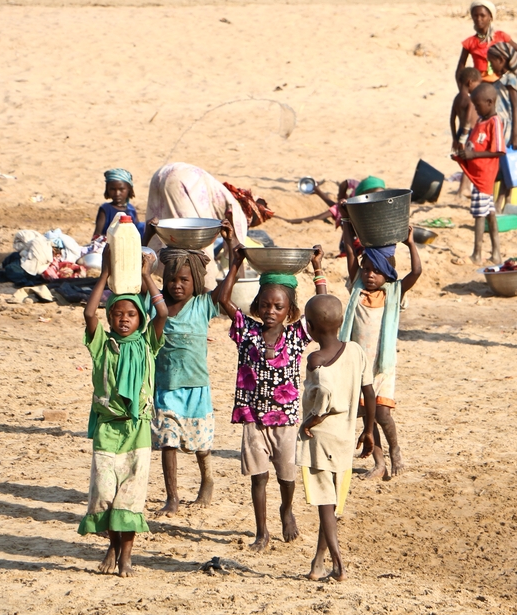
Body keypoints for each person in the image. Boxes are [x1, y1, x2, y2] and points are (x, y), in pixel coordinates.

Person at [216, 237, 327, 550]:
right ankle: (261, 532)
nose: (270, 311)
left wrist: (318, 268)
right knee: (258, 477)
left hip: (286, 418)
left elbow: (323, 309)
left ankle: (286, 510)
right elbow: (223, 299)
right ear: (256, 305)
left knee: (286, 476)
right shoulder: (246, 331)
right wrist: (235, 263)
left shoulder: (296, 335)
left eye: (278, 307)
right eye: (265, 305)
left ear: (290, 310)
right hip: (253, 417)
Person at [78, 247, 167, 577]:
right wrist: (105, 275)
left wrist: (145, 276)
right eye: (118, 314)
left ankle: (125, 555)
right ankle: (112, 546)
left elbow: (162, 312)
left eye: (131, 314)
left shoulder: (147, 343)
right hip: (107, 427)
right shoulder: (102, 343)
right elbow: (89, 313)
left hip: (137, 429)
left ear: (139, 318)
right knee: (105, 493)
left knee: (130, 496)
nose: (124, 319)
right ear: (111, 317)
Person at [151, 225, 236, 518]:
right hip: (165, 386)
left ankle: (206, 480)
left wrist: (232, 248)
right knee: (168, 441)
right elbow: (139, 277)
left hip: (197, 386)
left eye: (184, 279)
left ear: (196, 280)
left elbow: (227, 286)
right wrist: (149, 236)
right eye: (172, 279)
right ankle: (172, 497)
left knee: (201, 444)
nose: (177, 285)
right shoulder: (157, 305)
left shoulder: (203, 304)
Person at [296, 294, 376, 582]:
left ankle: (338, 563)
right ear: (342, 321)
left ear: (309, 328)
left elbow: (324, 397)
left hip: (319, 439)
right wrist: (369, 430)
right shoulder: (355, 350)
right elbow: (369, 392)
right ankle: (318, 563)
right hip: (344, 438)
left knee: (324, 505)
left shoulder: (315, 359)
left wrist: (311, 420)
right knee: (329, 504)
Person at [337, 225, 422, 480]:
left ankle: (395, 449)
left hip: (383, 366)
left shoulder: (394, 293)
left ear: (388, 274)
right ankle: (379, 462)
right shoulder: (357, 288)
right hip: (359, 366)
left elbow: (416, 272)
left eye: (376, 271)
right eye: (366, 269)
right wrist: (347, 227)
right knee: (367, 416)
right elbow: (351, 254)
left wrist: (411, 243)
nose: (369, 275)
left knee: (383, 415)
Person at [145, 162, 249, 289]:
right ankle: (204, 286)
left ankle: (159, 276)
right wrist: (243, 286)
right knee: (195, 248)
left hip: (161, 174)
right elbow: (237, 252)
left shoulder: (219, 191)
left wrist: (147, 236)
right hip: (181, 182)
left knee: (162, 235)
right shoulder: (239, 213)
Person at [452, 83, 506, 263]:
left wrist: (473, 155)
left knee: (479, 215)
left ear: (489, 102)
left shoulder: (494, 122)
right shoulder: (481, 122)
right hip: (478, 176)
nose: (475, 109)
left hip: (485, 176)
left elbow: (499, 150)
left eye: (478, 105)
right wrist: (463, 156)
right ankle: (496, 253)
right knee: (489, 213)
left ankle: (477, 253)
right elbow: (474, 145)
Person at [455, 0, 517, 84]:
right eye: (475, 16)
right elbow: (460, 68)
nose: (478, 19)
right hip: (480, 84)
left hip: (502, 82)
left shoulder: (501, 36)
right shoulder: (470, 42)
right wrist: (462, 89)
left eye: (482, 15)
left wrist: (508, 67)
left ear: (490, 17)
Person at [486, 42, 517, 149]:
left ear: (501, 60)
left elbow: (515, 107)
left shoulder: (510, 79)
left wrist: (515, 135)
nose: (490, 66)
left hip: (508, 128)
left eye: (491, 62)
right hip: (500, 125)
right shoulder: (502, 79)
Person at [93, 168, 145, 241]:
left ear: (129, 189)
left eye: (121, 189)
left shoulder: (131, 209)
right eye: (113, 189)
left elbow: (136, 230)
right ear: (107, 189)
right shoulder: (105, 209)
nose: (117, 193)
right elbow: (97, 236)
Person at [451, 67, 483, 154]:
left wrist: (454, 138)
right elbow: (467, 121)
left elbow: (452, 120)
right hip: (469, 133)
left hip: (460, 132)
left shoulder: (456, 99)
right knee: (470, 158)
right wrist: (463, 139)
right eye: (478, 85)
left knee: (462, 157)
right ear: (470, 82)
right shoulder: (470, 101)